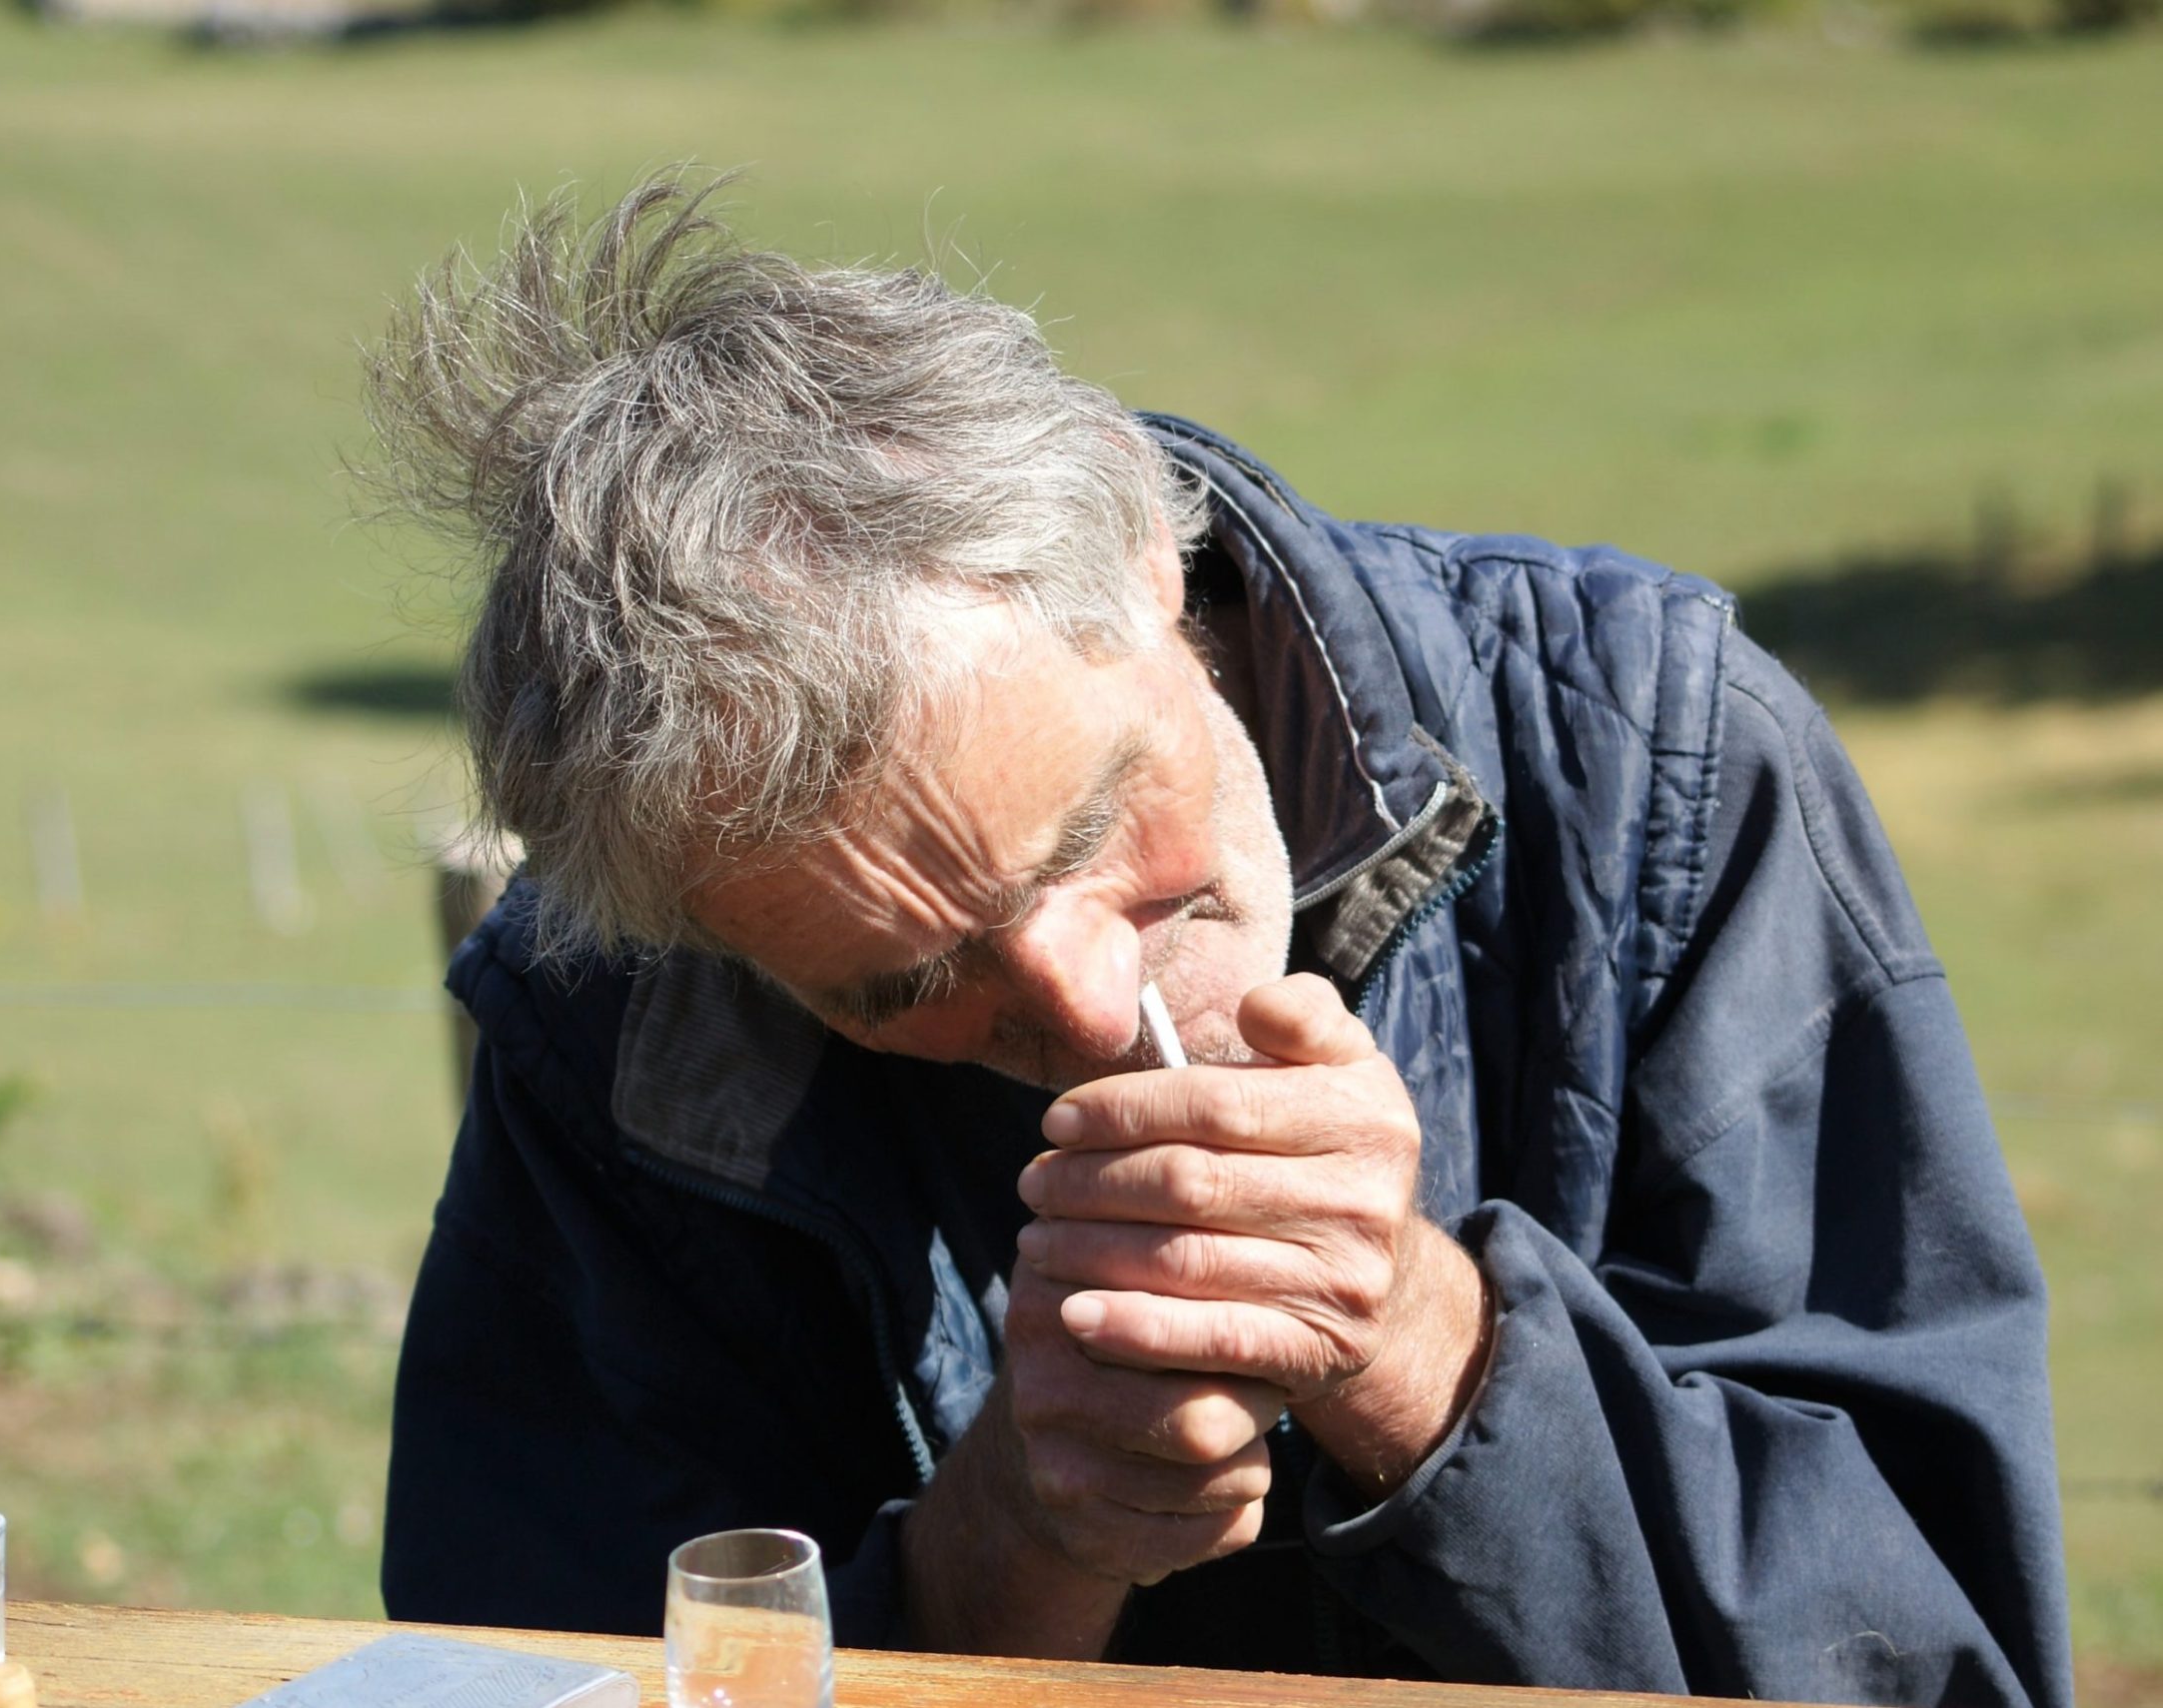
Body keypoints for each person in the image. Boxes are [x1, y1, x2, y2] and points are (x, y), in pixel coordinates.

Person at [367, 172, 2071, 1705]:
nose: (1087, 1003)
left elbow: (1943, 1655)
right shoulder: (627, 1028)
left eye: (1095, 826)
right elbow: (540, 1671)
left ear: (1142, 548)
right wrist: (1018, 1533)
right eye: (902, 983)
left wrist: (1421, 1340)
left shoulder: (1664, 763)